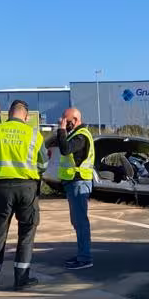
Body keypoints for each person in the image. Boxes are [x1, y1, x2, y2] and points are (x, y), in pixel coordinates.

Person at [0, 100, 49, 289]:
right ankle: (21, 279)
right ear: (26, 116)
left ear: (8, 114)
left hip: (0, 188)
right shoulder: (34, 134)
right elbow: (43, 165)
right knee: (26, 233)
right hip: (27, 188)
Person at [45, 107, 95, 270]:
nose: (63, 122)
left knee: (81, 222)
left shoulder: (81, 136)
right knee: (77, 222)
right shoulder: (74, 134)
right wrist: (60, 132)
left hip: (79, 182)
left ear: (75, 120)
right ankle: (82, 254)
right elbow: (54, 145)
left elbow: (66, 149)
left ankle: (85, 258)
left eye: (66, 120)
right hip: (72, 183)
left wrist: (61, 130)